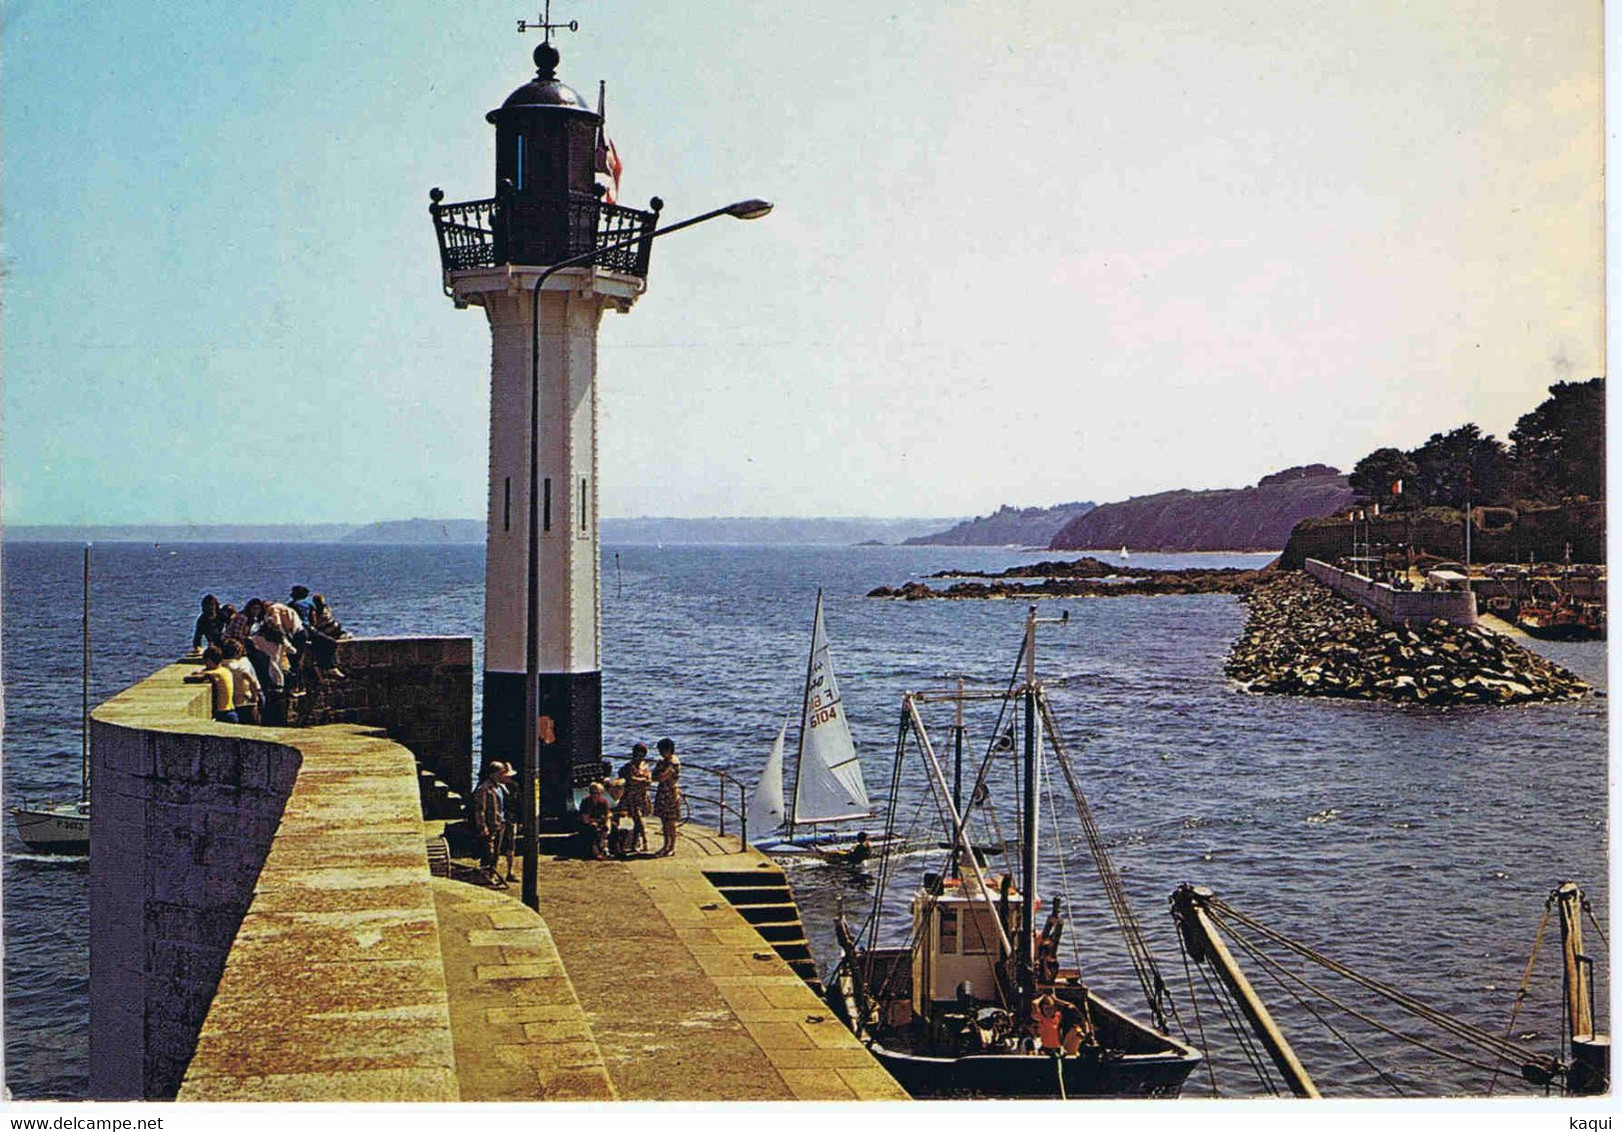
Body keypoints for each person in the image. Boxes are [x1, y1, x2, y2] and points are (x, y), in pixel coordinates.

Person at [472, 762, 516, 886]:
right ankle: (485, 874)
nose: (503, 775)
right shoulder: (485, 788)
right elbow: (480, 809)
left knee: (496, 851)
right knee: (488, 851)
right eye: (501, 773)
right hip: (490, 824)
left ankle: (492, 873)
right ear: (493, 774)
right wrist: (482, 826)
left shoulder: (500, 787)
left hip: (500, 822)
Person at [615, 742, 653, 855]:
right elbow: (631, 779)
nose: (639, 758)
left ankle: (636, 842)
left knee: (638, 820)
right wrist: (642, 780)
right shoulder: (629, 766)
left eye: (642, 755)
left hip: (642, 795)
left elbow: (649, 780)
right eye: (637, 755)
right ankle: (644, 840)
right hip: (631, 796)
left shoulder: (645, 766)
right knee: (638, 818)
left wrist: (642, 781)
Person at [184, 647, 238, 724]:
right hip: (231, 710)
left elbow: (191, 678)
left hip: (224, 714)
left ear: (210, 660)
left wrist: (201, 673)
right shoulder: (225, 670)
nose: (206, 665)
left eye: (206, 662)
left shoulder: (216, 673)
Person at [220, 638, 263, 725]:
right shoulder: (238, 667)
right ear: (237, 652)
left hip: (233, 702)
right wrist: (254, 698)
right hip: (246, 700)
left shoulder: (222, 665)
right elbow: (253, 681)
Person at [652, 738, 682, 858]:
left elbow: (662, 777)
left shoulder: (674, 762)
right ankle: (665, 845)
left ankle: (672, 847)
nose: (660, 753)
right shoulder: (661, 762)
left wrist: (659, 775)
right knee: (664, 821)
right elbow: (654, 776)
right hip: (662, 792)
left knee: (671, 822)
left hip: (670, 794)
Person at [579, 781, 611, 860]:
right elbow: (585, 819)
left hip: (600, 822)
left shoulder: (604, 802)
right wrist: (597, 820)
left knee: (611, 828)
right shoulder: (585, 802)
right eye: (593, 793)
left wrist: (608, 826)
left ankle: (612, 849)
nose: (596, 795)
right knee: (592, 829)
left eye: (598, 793)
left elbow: (607, 815)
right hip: (589, 823)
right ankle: (596, 852)